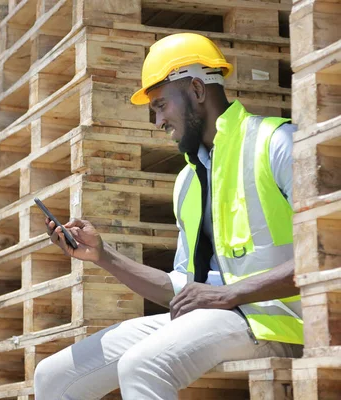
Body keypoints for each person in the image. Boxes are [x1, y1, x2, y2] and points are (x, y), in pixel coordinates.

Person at [33, 33, 303, 400]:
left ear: (196, 89)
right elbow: (182, 293)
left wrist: (226, 295)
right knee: (53, 376)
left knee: (143, 365)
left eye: (161, 105)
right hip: (218, 317)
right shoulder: (188, 182)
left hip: (281, 321)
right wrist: (102, 255)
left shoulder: (277, 143)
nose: (158, 121)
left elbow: (329, 258)